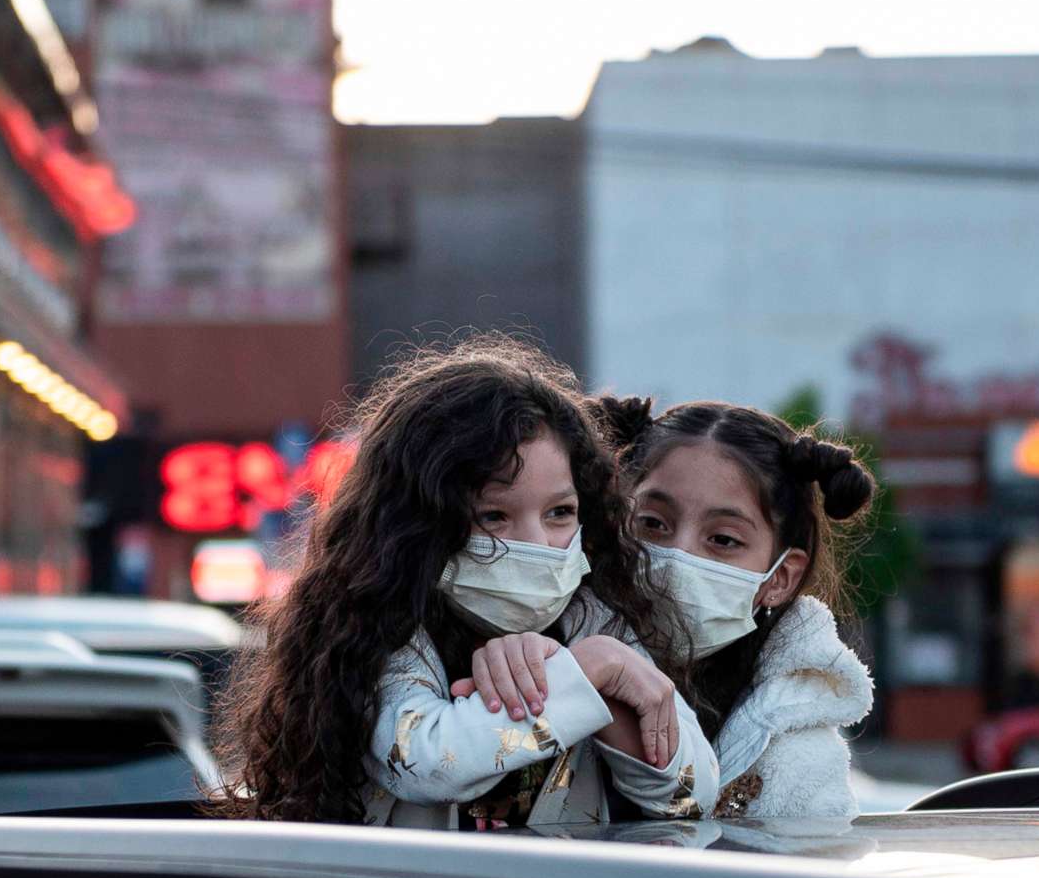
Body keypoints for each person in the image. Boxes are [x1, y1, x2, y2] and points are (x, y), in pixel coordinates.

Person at [214, 338, 717, 827]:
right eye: (494, 516)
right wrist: (587, 672)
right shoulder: (378, 629)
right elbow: (430, 763)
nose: (538, 543)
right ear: (419, 526)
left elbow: (692, 793)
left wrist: (601, 664)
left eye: (561, 512)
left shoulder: (596, 615)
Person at [599, 396, 875, 821]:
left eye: (723, 540)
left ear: (779, 579)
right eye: (653, 524)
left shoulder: (802, 758)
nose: (677, 557)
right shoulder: (550, 658)